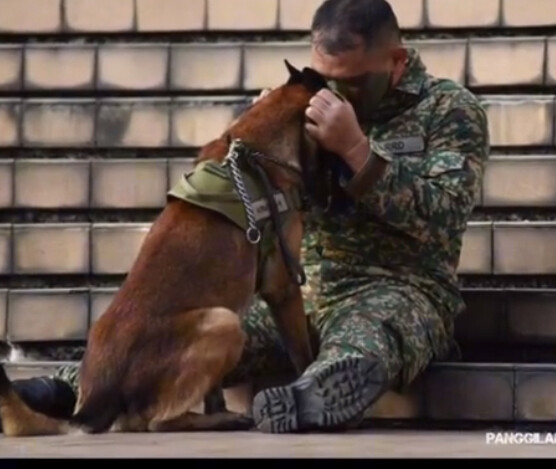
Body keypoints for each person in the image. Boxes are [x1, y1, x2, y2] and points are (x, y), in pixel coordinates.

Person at [3, 0, 489, 434]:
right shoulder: (298, 105)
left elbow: (443, 214)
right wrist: (260, 140)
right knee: (184, 332)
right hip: (299, 292)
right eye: (324, 77)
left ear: (396, 62)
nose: (332, 94)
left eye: (353, 83)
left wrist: (358, 151)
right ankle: (62, 391)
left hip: (398, 288)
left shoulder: (447, 110)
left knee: (366, 338)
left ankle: (317, 396)